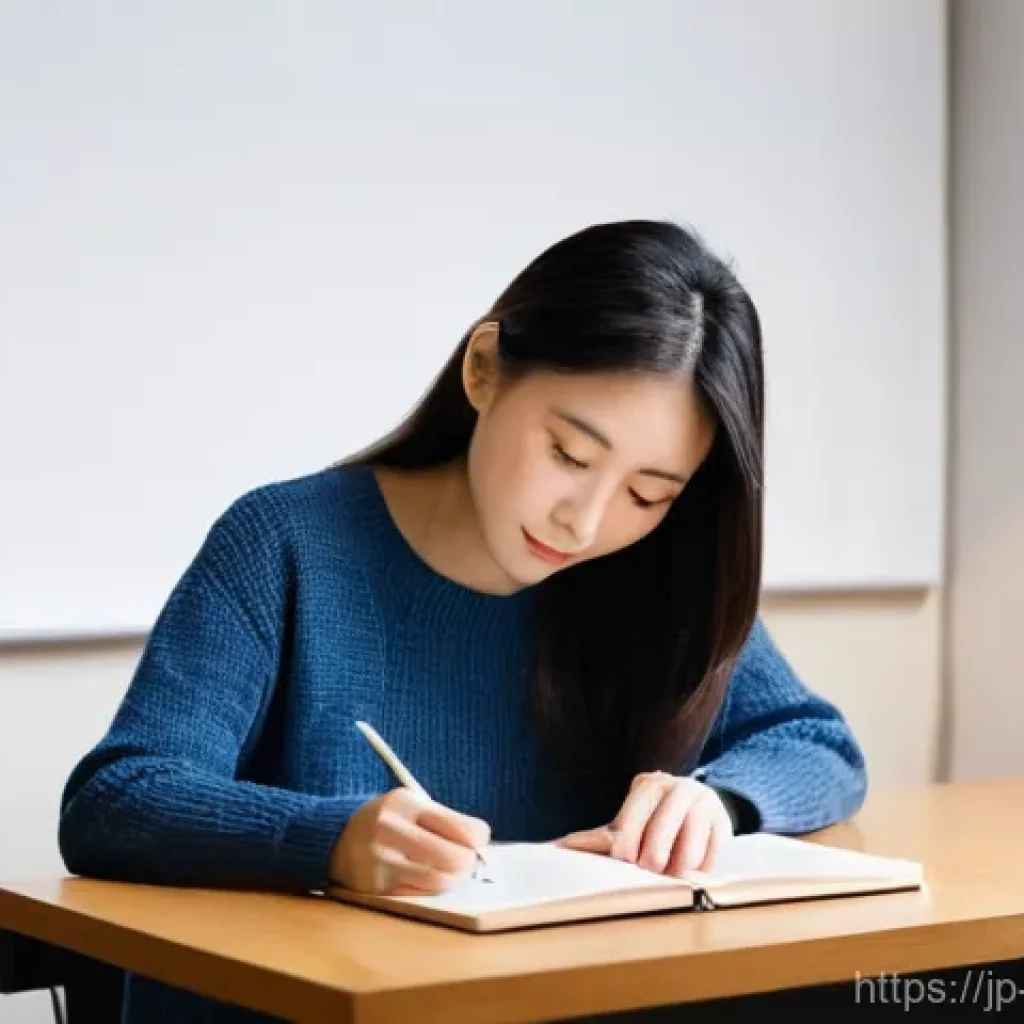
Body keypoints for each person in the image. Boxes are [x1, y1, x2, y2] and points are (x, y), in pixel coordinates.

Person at [57, 218, 867, 1023]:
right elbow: (117, 800)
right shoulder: (287, 545)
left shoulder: (647, 575)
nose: (585, 523)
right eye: (570, 456)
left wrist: (716, 801)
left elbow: (818, 745)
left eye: (647, 493)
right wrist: (331, 840)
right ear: (484, 370)